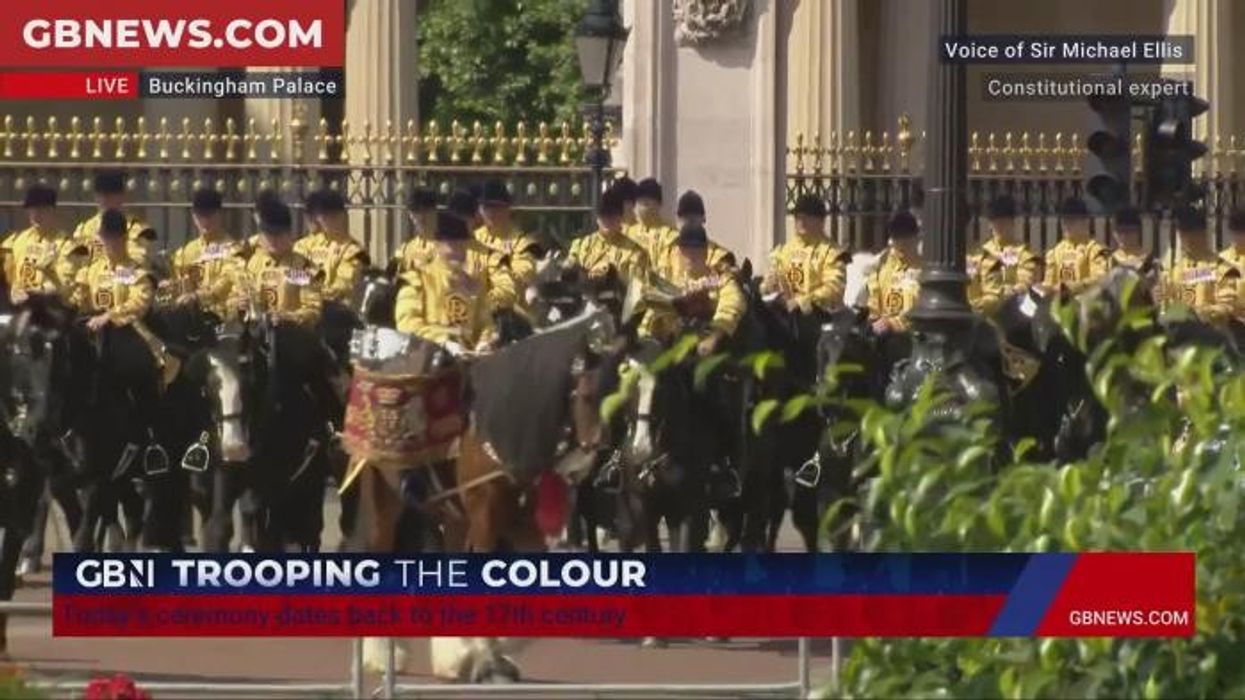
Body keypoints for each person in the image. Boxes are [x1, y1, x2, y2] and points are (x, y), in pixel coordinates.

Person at [69, 208, 166, 467]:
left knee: (141, 371)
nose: (109, 242)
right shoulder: (91, 270)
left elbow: (140, 302)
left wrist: (110, 316)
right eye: (105, 237)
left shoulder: (136, 271)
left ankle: (148, 437)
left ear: (124, 238)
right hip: (94, 334)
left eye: (114, 237)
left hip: (130, 333)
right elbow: (79, 301)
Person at [394, 211, 517, 354]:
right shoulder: (417, 278)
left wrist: (485, 342)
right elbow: (407, 323)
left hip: (466, 361)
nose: (458, 251)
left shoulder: (472, 283)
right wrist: (443, 342)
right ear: (436, 245)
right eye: (451, 245)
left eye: (462, 245)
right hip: (427, 361)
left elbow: (485, 323)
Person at [640, 223, 746, 358]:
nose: (691, 256)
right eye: (686, 251)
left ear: (706, 252)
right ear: (678, 253)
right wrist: (644, 337)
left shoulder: (721, 279)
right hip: (670, 350)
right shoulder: (670, 281)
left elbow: (733, 304)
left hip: (708, 348)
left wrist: (714, 337)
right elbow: (650, 312)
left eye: (697, 250)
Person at [232, 196, 322, 327]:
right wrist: (238, 305)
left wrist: (288, 317)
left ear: (289, 234)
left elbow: (313, 309)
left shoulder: (304, 267)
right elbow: (230, 301)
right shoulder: (250, 263)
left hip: (291, 335)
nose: (274, 240)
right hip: (255, 333)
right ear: (261, 235)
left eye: (279, 234)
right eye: (269, 234)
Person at [762, 194, 849, 315]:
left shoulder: (833, 252)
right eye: (797, 217)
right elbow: (771, 282)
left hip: (820, 316)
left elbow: (834, 289)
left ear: (820, 221)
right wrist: (769, 286)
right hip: (788, 313)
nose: (801, 222)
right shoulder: (785, 249)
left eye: (806, 218)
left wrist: (802, 302)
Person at [168, 187, 245, 319]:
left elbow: (227, 280)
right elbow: (180, 280)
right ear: (193, 217)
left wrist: (198, 296)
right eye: (200, 216)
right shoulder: (188, 250)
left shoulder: (233, 249)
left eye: (210, 215)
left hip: (222, 317)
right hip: (192, 317)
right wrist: (171, 287)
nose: (205, 221)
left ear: (220, 214)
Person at [1, 183, 75, 305]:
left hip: (51, 308)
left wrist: (35, 293)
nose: (36, 214)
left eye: (42, 210)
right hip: (21, 306)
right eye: (32, 210)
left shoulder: (65, 244)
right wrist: (14, 290)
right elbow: (11, 276)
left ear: (53, 211)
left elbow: (65, 284)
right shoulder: (18, 239)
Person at [1158, 206, 1233, 325]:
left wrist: (1199, 314)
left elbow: (1227, 306)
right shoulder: (1176, 269)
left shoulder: (1222, 268)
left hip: (1212, 336)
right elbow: (1165, 305)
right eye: (1182, 235)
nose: (1186, 240)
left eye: (1191, 235)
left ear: (1203, 234)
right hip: (1182, 336)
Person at [294, 189, 369, 305]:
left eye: (334, 216)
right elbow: (290, 272)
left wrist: (312, 284)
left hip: (334, 312)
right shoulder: (305, 244)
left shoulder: (356, 251)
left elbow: (342, 285)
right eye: (324, 216)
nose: (330, 220)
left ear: (343, 215)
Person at [567, 186, 651, 285]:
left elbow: (638, 286)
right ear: (597, 218)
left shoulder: (635, 252)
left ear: (620, 218)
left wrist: (612, 275)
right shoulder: (580, 246)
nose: (608, 220)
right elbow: (568, 276)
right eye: (604, 215)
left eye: (613, 215)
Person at [968, 194, 1037, 314]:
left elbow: (1025, 279)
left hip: (1011, 308)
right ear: (990, 224)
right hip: (981, 309)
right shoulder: (980, 253)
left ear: (1013, 223)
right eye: (996, 222)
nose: (1000, 227)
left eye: (1005, 222)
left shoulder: (1024, 252)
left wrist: (1012, 291)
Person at [474, 178, 543, 293]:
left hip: (508, 307)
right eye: (487, 207)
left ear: (508, 209)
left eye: (498, 207)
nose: (492, 213)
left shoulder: (523, 243)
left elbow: (523, 278)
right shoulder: (473, 237)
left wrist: (504, 264)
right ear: (480, 210)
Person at [70, 171, 154, 265]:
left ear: (122, 196)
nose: (105, 199)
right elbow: (76, 263)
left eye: (111, 195)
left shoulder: (137, 230)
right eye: (101, 195)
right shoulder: (85, 229)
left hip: (122, 276)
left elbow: (138, 262)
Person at [866, 210, 922, 335]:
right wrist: (875, 321)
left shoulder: (924, 271)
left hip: (914, 337)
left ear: (917, 238)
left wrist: (894, 323)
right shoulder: (883, 269)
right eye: (897, 238)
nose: (901, 245)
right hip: (884, 337)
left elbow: (922, 312)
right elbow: (873, 308)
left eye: (906, 240)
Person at [1043, 197, 1109, 295]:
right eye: (1064, 221)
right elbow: (1049, 282)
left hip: (1085, 304)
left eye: (1072, 220)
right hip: (1061, 305)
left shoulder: (1095, 250)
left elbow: (1099, 278)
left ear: (1085, 222)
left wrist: (1075, 286)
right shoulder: (1056, 251)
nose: (1066, 225)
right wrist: (1044, 288)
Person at [629, 177, 678, 262]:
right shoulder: (629, 233)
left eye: (646, 203)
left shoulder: (670, 236)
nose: (641, 209)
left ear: (659, 204)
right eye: (639, 203)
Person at [393, 186, 439, 275]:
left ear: (434, 211)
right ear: (410, 215)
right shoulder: (406, 249)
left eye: (426, 210)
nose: (421, 217)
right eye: (416, 211)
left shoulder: (451, 247)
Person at [1109, 207, 1156, 271]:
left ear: (1138, 233)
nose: (1123, 236)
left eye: (1128, 232)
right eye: (1118, 232)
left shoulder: (1149, 261)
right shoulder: (1109, 260)